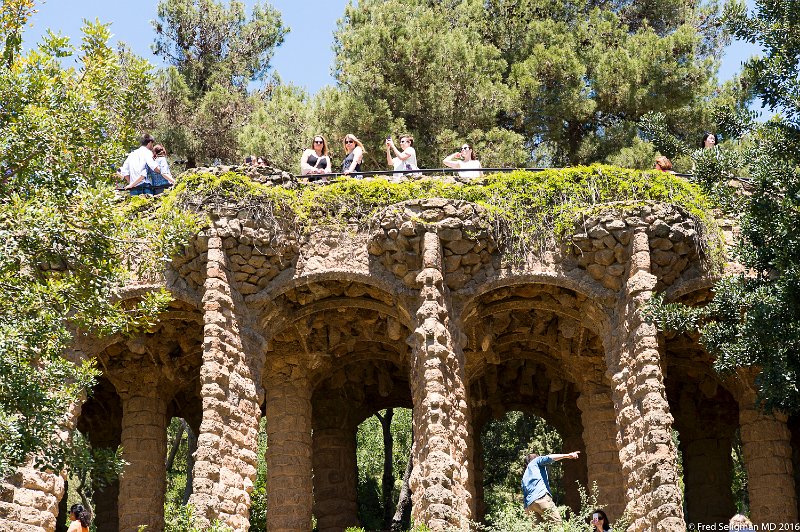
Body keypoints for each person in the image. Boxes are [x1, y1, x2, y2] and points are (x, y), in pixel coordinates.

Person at [521, 450, 580, 523]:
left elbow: (525, 495)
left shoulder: (524, 477)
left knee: (540, 529)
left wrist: (527, 510)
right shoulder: (536, 461)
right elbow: (548, 457)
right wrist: (567, 455)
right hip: (541, 498)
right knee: (556, 524)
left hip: (530, 506)